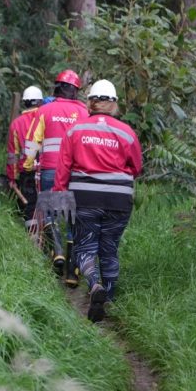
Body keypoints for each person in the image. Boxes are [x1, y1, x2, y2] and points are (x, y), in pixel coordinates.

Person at [52, 79, 143, 322]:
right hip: (119, 200)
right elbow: (136, 167)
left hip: (84, 198)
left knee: (85, 246)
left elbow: (63, 168)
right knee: (109, 248)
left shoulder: (75, 131)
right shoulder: (127, 133)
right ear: (113, 104)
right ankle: (108, 299)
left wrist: (60, 195)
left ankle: (94, 286)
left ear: (90, 103)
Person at [24, 70, 88, 283]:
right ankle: (72, 272)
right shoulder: (84, 112)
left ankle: (57, 251)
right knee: (72, 218)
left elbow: (33, 140)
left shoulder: (45, 110)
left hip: (50, 170)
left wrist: (27, 163)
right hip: (76, 172)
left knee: (50, 213)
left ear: (56, 87)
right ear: (76, 91)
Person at [6, 85, 44, 230]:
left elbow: (12, 155)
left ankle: (33, 239)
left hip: (26, 173)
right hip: (45, 170)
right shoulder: (44, 117)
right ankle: (49, 237)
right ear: (40, 102)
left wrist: (12, 177)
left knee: (29, 206)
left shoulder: (16, 123)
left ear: (25, 102)